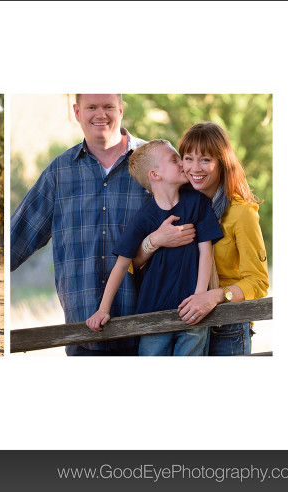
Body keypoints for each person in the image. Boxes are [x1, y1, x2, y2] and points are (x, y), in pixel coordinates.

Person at [9, 94, 172, 355]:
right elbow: (16, 238)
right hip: (83, 334)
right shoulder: (60, 172)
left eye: (108, 106)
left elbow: (189, 217)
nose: (101, 114)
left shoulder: (156, 162)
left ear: (121, 109)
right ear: (77, 112)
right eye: (91, 107)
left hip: (147, 330)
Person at [136, 122, 269, 355]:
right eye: (188, 158)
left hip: (225, 326)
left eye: (205, 160)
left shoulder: (242, 212)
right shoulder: (173, 205)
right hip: (176, 322)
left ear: (221, 163)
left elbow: (258, 283)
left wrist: (215, 296)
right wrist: (154, 240)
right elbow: (133, 264)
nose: (195, 168)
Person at [86, 140, 222, 355]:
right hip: (152, 315)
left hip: (193, 312)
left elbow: (206, 252)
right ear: (155, 175)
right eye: (174, 159)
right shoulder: (143, 217)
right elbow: (121, 265)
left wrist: (199, 296)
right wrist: (103, 309)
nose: (182, 163)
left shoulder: (197, 202)